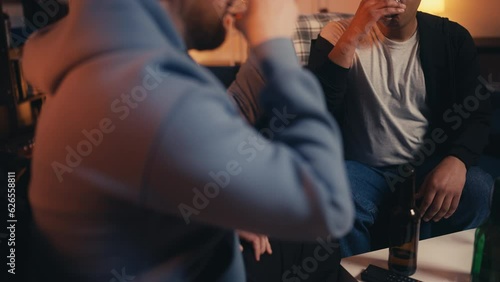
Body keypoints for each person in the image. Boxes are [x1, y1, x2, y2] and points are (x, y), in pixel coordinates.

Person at [24, 0, 354, 281]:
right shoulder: (151, 97)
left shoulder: (104, 67)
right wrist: (274, 46)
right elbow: (329, 204)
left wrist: (212, 211)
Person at [307, 0, 494, 256]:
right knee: (334, 196)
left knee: (478, 190)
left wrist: (457, 160)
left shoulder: (451, 37)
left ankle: (436, 268)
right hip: (362, 168)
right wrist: (354, 33)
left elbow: (478, 113)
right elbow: (316, 112)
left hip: (427, 165)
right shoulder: (337, 34)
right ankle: (357, 273)